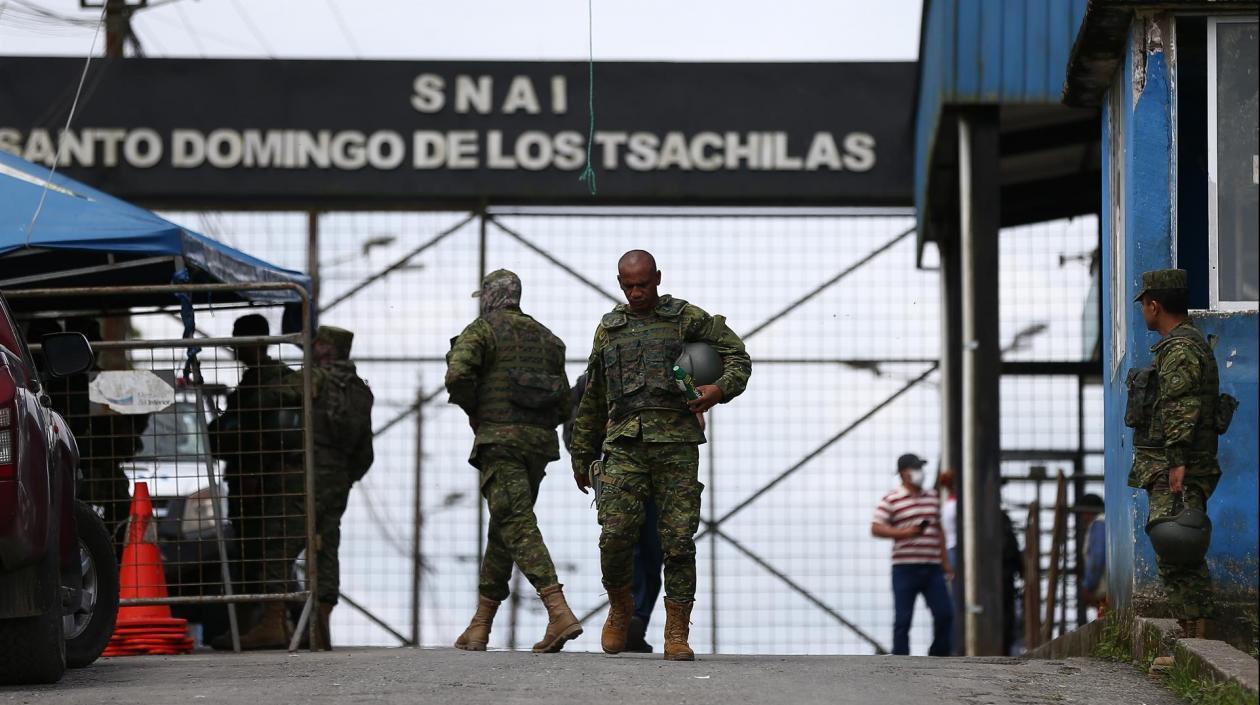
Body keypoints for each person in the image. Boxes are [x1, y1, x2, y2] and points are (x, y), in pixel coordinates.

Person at [569, 249, 752, 661]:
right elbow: (594, 394)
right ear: (620, 283)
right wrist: (582, 456)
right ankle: (620, 608)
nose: (636, 292)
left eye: (644, 284)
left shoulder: (685, 318)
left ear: (658, 279)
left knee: (678, 542)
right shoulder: (608, 329)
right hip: (624, 444)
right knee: (614, 535)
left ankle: (676, 630)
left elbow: (737, 356)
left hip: (677, 445)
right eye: (628, 285)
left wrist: (719, 389)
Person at [446, 269, 582, 654]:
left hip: (500, 441)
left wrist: (475, 409)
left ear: (489, 296)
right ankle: (480, 624)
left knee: (517, 523)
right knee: (506, 525)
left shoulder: (483, 330)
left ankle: (558, 611)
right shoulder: (549, 339)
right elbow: (562, 402)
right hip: (538, 445)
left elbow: (458, 374)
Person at [1127, 269, 1226, 638]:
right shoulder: (1185, 344)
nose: (1143, 312)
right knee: (1179, 546)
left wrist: (1178, 460)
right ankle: (1194, 633)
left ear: (1154, 305)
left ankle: (1197, 637)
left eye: (1144, 305)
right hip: (1180, 460)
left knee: (1177, 546)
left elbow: (1180, 405)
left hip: (1180, 463)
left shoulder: (1180, 348)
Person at [209, 313, 302, 650]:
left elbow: (263, 435)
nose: (235, 347)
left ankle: (270, 624)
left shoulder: (271, 384)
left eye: (239, 339)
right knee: (255, 553)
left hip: (265, 482)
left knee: (265, 552)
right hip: (252, 480)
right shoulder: (258, 383)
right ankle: (269, 624)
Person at [287, 325, 375, 650]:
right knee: (327, 547)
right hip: (338, 477)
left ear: (327, 349)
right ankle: (322, 625)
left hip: (305, 474)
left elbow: (279, 394)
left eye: (318, 343)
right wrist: (345, 477)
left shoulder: (316, 379)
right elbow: (365, 450)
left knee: (283, 540)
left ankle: (272, 618)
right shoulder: (361, 390)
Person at [563, 372, 663, 653]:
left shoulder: (668, 367)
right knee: (628, 545)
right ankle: (629, 616)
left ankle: (635, 620)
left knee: (652, 548)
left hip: (657, 467)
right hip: (618, 471)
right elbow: (575, 429)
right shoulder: (592, 381)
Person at [871, 453, 954, 656]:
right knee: (903, 619)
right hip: (904, 568)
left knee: (945, 613)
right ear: (903, 473)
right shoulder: (891, 499)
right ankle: (901, 661)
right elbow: (876, 527)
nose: (920, 472)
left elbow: (939, 531)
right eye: (915, 468)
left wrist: (945, 563)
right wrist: (904, 533)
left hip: (932, 567)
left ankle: (939, 655)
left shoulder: (932, 497)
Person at [1077, 493, 1107, 616]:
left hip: (1105, 592)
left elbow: (1097, 558)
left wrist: (1088, 585)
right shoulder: (1107, 522)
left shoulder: (1098, 524)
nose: (1082, 518)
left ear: (1087, 511)